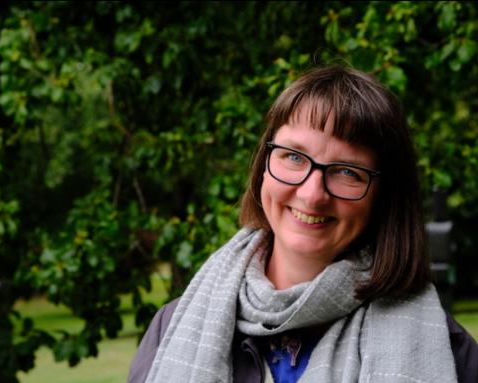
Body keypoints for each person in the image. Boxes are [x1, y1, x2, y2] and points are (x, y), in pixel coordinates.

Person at [128, 65, 478, 383]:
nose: (312, 195)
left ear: (384, 197)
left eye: (347, 172)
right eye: (294, 156)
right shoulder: (171, 329)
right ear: (264, 164)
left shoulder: (451, 354)